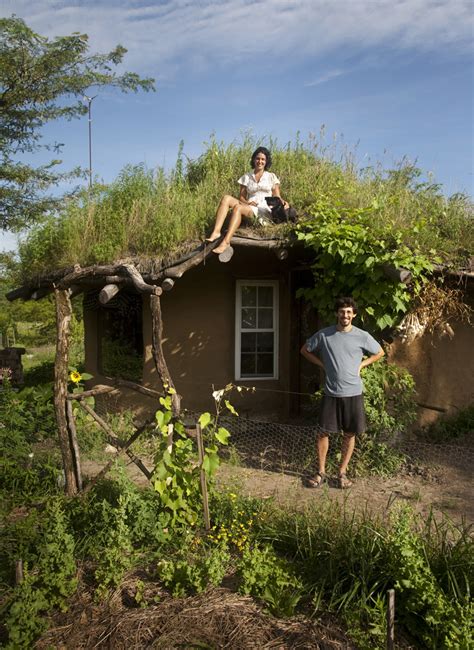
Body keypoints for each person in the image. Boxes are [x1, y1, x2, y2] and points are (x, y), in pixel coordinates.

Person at [300, 296, 384, 489]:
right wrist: (322, 364)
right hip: (331, 393)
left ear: (353, 315)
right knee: (323, 433)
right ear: (337, 314)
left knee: (349, 434)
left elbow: (379, 352)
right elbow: (304, 350)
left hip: (353, 393)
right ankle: (320, 472)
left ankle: (342, 473)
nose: (345, 315)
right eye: (342, 311)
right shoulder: (324, 335)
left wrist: (362, 364)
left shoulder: (362, 336)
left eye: (348, 312)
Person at [206, 146, 289, 255]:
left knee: (238, 208)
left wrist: (284, 202)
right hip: (249, 205)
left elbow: (277, 196)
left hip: (263, 209)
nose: (260, 161)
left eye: (263, 159)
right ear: (254, 160)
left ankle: (226, 241)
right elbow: (241, 197)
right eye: (258, 158)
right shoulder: (247, 176)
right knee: (226, 198)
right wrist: (248, 202)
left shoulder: (271, 176)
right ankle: (216, 232)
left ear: (266, 161)